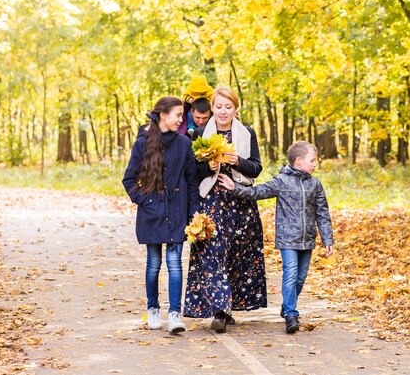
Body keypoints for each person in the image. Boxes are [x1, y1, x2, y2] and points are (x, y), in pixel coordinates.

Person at [218, 141, 334, 334]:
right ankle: (291, 314)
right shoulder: (282, 181)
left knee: (300, 277)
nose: (315, 164)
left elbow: (322, 213)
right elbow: (256, 192)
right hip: (288, 238)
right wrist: (234, 187)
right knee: (290, 274)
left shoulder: (315, 184)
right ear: (298, 161)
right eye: (312, 160)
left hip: (307, 239)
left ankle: (288, 303)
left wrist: (327, 239)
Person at [183, 86, 267, 333]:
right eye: (218, 106)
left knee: (236, 256)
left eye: (227, 107)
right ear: (212, 108)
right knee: (211, 253)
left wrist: (236, 161)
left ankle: (229, 306)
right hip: (211, 202)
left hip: (240, 203)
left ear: (235, 109)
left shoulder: (247, 133)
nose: (222, 111)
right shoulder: (198, 134)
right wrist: (210, 166)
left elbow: (256, 168)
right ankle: (218, 310)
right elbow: (193, 174)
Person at [122, 96, 200, 333]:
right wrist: (147, 201)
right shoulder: (143, 143)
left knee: (175, 263)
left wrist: (193, 212)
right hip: (152, 213)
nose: (181, 119)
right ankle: (153, 309)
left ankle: (175, 314)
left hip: (177, 210)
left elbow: (191, 181)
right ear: (163, 115)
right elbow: (129, 180)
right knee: (154, 263)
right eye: (178, 115)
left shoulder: (184, 143)